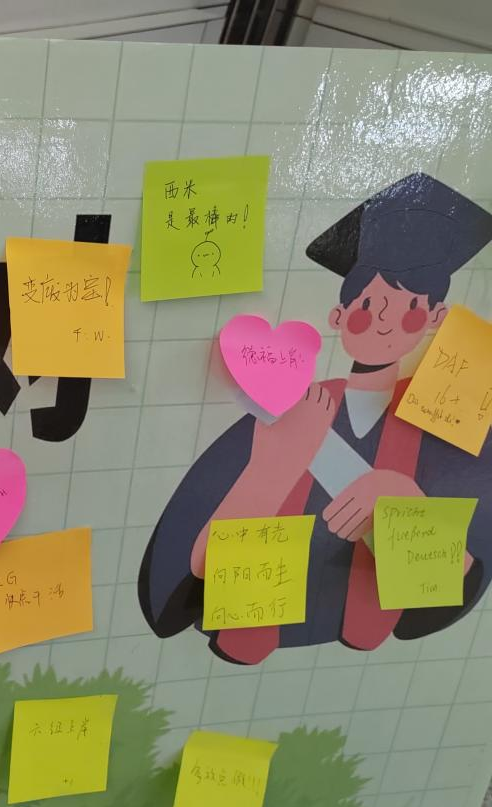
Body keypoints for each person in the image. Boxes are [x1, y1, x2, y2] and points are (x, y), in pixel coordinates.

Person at [139, 173, 492, 664]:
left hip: (366, 650)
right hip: (255, 634)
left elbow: (453, 592)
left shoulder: (449, 427)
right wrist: (270, 472)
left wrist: (407, 511)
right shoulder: (294, 410)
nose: (384, 323)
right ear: (338, 317)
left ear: (436, 318)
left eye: (410, 310)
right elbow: (174, 592)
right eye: (367, 308)